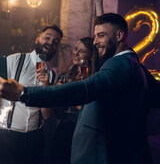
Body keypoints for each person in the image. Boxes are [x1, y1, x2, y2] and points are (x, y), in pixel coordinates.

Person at [0, 13, 152, 164]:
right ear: (38, 38)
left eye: (100, 35)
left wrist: (24, 93)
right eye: (95, 36)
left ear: (119, 36)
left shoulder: (121, 64)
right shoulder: (132, 63)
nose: (96, 41)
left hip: (109, 152)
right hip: (14, 137)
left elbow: (86, 88)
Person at [0, 23, 63, 164]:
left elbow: (46, 115)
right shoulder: (15, 60)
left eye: (55, 42)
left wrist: (46, 86)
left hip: (35, 138)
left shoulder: (52, 75)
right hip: (8, 137)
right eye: (47, 38)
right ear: (37, 39)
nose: (50, 43)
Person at [53, 36, 98, 164]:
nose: (76, 54)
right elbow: (58, 113)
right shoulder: (65, 76)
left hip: (85, 132)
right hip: (64, 130)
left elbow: (91, 111)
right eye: (76, 49)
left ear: (91, 55)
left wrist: (67, 95)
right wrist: (57, 95)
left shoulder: (95, 78)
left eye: (82, 51)